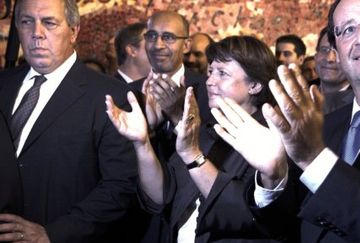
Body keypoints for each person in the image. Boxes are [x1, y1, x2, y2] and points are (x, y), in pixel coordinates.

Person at [209, 0, 360, 242]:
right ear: (337, 50)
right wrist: (274, 177)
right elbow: (282, 229)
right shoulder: (323, 125)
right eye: (348, 29)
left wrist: (315, 160)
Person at [106, 35, 284, 243]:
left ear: (254, 85)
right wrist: (142, 141)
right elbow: (160, 197)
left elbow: (243, 216)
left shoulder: (271, 141)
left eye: (222, 73)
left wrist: (193, 155)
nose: (209, 81)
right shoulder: (206, 132)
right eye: (210, 72)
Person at [0, 0, 138, 242]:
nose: (37, 34)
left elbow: (119, 187)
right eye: (26, 22)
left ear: (74, 31)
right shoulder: (3, 84)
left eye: (49, 23)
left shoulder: (110, 96)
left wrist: (52, 234)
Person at [143, 10, 209, 162]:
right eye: (151, 36)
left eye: (168, 37)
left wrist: (177, 115)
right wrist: (149, 130)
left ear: (186, 45)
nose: (158, 45)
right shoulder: (127, 91)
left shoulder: (209, 89)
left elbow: (211, 149)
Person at [314, 27, 353, 114]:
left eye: (338, 52)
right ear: (315, 56)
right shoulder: (301, 93)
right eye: (324, 50)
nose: (329, 58)